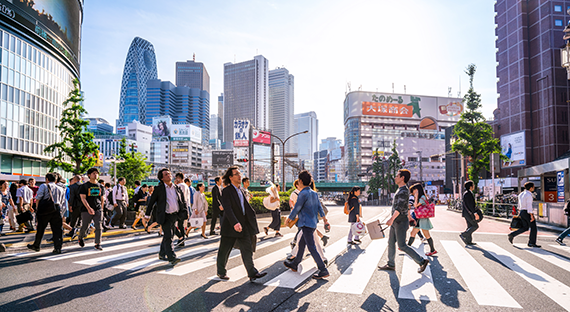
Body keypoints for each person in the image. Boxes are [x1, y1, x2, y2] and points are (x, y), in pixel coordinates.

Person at [216, 166, 267, 282]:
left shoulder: (242, 190)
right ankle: (221, 271)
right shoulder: (227, 191)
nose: (240, 176)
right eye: (236, 174)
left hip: (243, 225)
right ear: (230, 177)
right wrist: (235, 222)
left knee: (247, 249)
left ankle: (252, 273)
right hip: (230, 226)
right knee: (224, 250)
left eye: (240, 173)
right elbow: (228, 209)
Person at [379, 169, 429, 273]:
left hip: (399, 222)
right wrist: (409, 217)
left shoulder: (403, 191)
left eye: (397, 176)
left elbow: (399, 207)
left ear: (402, 178)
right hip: (397, 221)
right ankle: (391, 264)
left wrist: (391, 219)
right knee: (391, 242)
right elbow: (405, 207)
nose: (395, 177)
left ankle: (421, 261)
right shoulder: (400, 190)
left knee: (402, 245)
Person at [284, 170, 331, 279]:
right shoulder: (314, 194)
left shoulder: (302, 193)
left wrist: (289, 219)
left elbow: (297, 208)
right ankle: (295, 264)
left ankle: (323, 269)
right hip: (313, 223)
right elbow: (320, 207)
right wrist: (325, 220)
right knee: (301, 244)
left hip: (305, 223)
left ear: (300, 181)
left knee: (312, 247)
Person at [144, 168, 188, 265]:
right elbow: (151, 203)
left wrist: (185, 212)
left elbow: (183, 201)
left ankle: (162, 253)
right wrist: (147, 215)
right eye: (166, 174)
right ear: (162, 178)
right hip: (165, 215)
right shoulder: (159, 189)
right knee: (168, 236)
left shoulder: (176, 187)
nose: (169, 175)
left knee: (169, 235)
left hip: (175, 215)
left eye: (169, 173)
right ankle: (172, 257)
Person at [27, 172, 66, 253]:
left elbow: (38, 198)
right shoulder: (61, 188)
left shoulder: (44, 186)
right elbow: (62, 201)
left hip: (45, 209)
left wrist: (37, 209)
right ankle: (58, 247)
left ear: (47, 179)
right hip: (57, 209)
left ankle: (37, 245)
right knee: (57, 229)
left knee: (41, 228)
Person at [78, 168, 105, 251]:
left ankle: (98, 243)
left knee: (99, 226)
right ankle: (80, 237)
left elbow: (102, 198)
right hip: (86, 209)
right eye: (93, 173)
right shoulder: (84, 186)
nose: (95, 175)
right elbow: (83, 198)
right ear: (89, 175)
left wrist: (101, 209)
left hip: (98, 209)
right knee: (85, 226)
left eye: (97, 173)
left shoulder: (101, 186)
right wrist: (89, 208)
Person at [407, 183, 437, 256]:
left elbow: (415, 205)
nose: (413, 192)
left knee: (427, 235)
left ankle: (433, 250)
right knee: (413, 233)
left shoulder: (422, 197)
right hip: (419, 218)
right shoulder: (421, 197)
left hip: (423, 219)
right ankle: (407, 247)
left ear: (417, 190)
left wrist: (416, 196)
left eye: (414, 190)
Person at [508, 182, 540, 248]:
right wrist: (531, 215)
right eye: (533, 187)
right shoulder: (529, 195)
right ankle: (531, 243)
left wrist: (519, 212)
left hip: (522, 212)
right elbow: (529, 205)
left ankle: (512, 234)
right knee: (533, 227)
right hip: (527, 212)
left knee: (525, 227)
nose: (534, 188)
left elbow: (519, 205)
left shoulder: (521, 194)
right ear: (531, 188)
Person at [459, 180, 479, 246]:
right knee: (475, 225)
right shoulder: (468, 194)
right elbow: (470, 205)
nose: (474, 186)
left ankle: (468, 241)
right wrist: (475, 213)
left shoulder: (467, 193)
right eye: (473, 185)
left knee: (470, 226)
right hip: (469, 213)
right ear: (471, 187)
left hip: (466, 213)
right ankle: (464, 234)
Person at [174, 173, 191, 246]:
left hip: (178, 207)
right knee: (181, 224)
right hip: (185, 207)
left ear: (178, 178)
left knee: (170, 224)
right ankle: (182, 240)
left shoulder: (178, 186)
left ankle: (181, 237)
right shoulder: (186, 186)